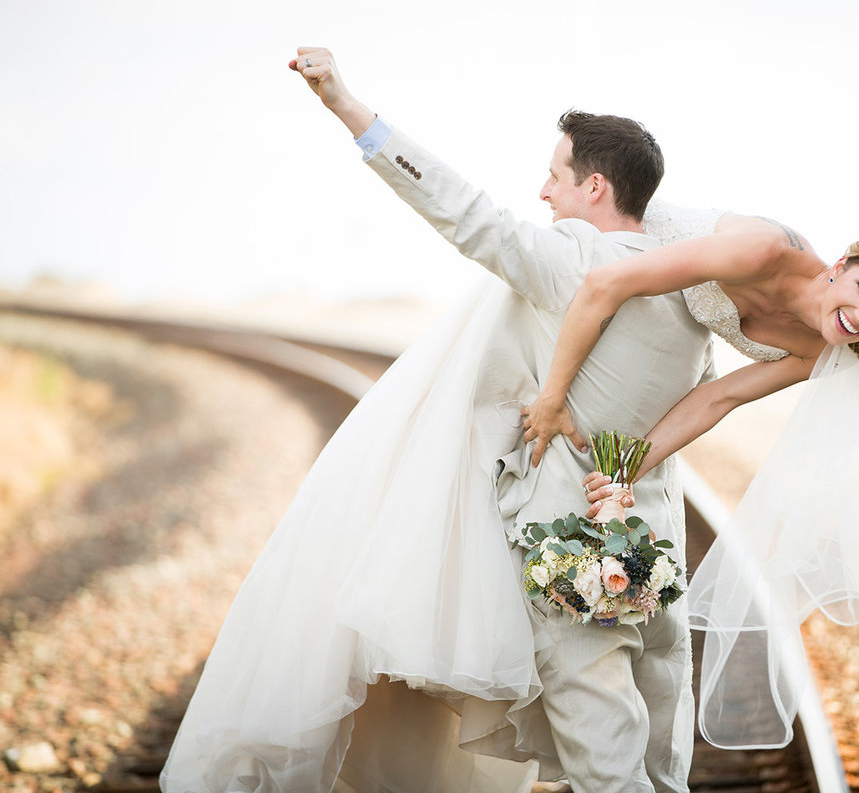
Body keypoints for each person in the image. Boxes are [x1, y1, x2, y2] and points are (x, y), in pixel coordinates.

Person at [160, 47, 716, 793]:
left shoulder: (571, 261)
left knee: (607, 767)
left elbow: (465, 212)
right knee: (661, 755)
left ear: (595, 185)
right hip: (657, 549)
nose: (542, 192)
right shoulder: (693, 299)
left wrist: (347, 108)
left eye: (555, 176)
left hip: (573, 550)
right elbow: (701, 398)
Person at [525, 212, 859, 749]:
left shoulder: (821, 350)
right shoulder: (763, 252)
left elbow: (721, 396)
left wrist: (627, 470)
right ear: (840, 265)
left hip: (661, 320)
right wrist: (551, 399)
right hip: (628, 243)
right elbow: (608, 281)